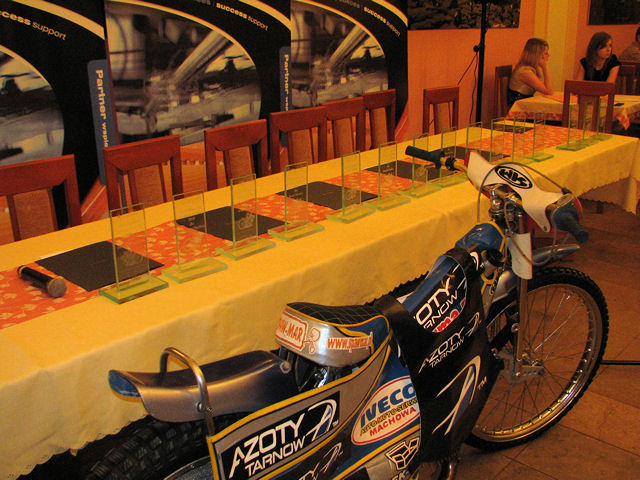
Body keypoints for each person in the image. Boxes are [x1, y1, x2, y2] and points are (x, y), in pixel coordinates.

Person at [507, 38, 554, 109]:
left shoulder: (530, 68)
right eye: (545, 53)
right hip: (518, 109)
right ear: (537, 55)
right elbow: (549, 91)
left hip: (525, 105)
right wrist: (545, 67)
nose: (548, 55)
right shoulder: (524, 72)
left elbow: (546, 88)